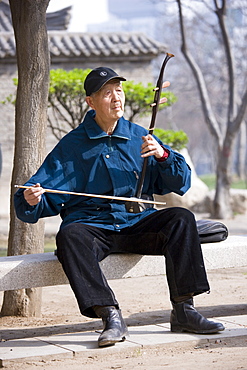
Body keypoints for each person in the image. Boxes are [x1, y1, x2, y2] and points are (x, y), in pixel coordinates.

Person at [14, 66, 225, 348]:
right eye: (107, 93)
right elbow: (41, 189)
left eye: (119, 90)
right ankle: (110, 315)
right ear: (90, 102)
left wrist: (162, 156)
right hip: (93, 227)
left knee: (180, 218)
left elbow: (180, 181)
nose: (116, 99)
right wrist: (32, 198)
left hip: (137, 224)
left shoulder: (140, 136)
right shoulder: (73, 145)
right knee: (69, 236)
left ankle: (185, 310)